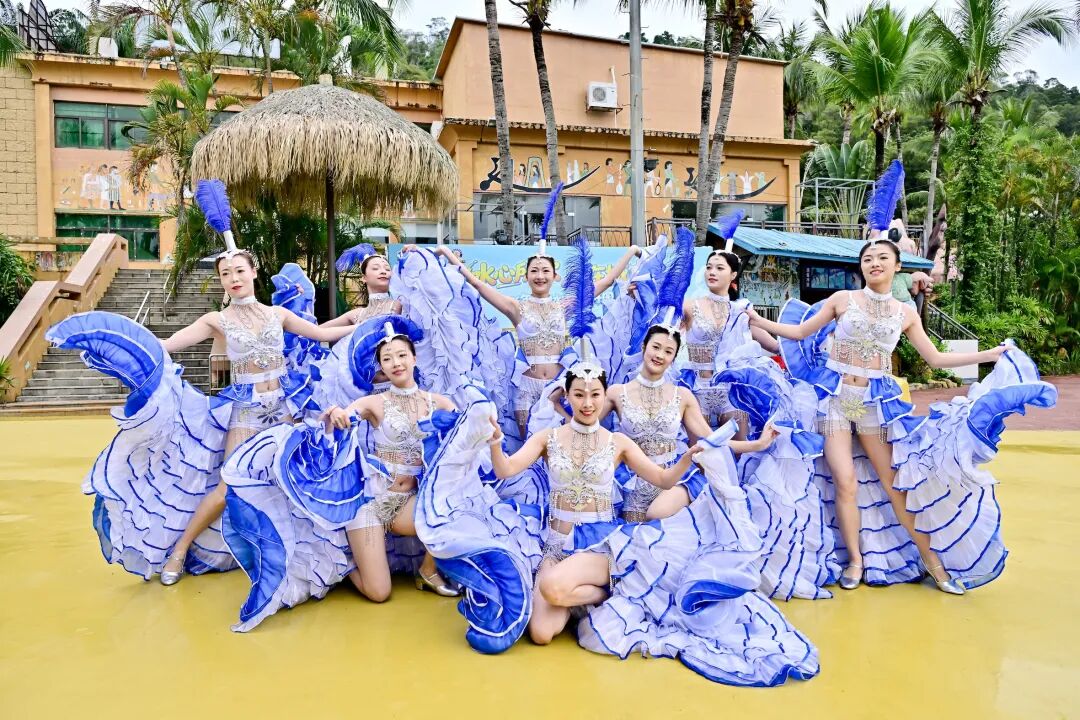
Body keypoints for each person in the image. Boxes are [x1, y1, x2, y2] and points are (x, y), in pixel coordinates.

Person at [748, 233, 1010, 595]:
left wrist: (988, 355)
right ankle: (855, 561)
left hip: (874, 403)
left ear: (897, 265)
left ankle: (934, 564)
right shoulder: (843, 299)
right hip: (836, 399)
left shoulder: (905, 313)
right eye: (868, 258)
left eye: (882, 258)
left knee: (895, 484)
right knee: (845, 482)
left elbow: (935, 358)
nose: (874, 263)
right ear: (861, 266)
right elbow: (799, 331)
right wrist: (757, 320)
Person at [485, 361, 701, 643]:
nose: (587, 403)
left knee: (552, 586)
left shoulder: (618, 442)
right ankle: (595, 595)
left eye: (595, 394)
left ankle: (606, 588)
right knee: (541, 634)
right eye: (579, 395)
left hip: (598, 545)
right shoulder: (547, 438)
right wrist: (495, 443)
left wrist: (687, 459)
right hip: (555, 545)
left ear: (604, 394)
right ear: (567, 395)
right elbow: (506, 469)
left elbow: (663, 479)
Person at [436, 191, 641, 435]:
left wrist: (631, 251)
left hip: (560, 386)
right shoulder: (515, 307)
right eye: (534, 271)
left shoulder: (564, 305)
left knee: (561, 442)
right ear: (526, 276)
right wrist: (447, 253)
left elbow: (606, 282)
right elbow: (478, 285)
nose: (540, 275)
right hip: (526, 388)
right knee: (528, 445)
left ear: (555, 276)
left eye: (545, 271)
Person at [323, 324, 459, 600]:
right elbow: (347, 416)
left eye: (401, 355)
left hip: (408, 503)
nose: (395, 363)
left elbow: (467, 433)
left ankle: (428, 571)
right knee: (379, 593)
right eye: (387, 358)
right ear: (382, 367)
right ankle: (337, 559)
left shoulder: (440, 403)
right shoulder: (374, 403)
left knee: (457, 503)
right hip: (370, 503)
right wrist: (336, 412)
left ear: (414, 358)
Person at [681, 211, 780, 435]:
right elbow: (662, 323)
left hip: (731, 392)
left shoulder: (742, 311)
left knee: (739, 448)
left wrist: (813, 342)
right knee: (700, 450)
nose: (712, 272)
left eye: (719, 268)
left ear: (733, 275)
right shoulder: (689, 306)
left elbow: (774, 346)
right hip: (697, 389)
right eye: (709, 267)